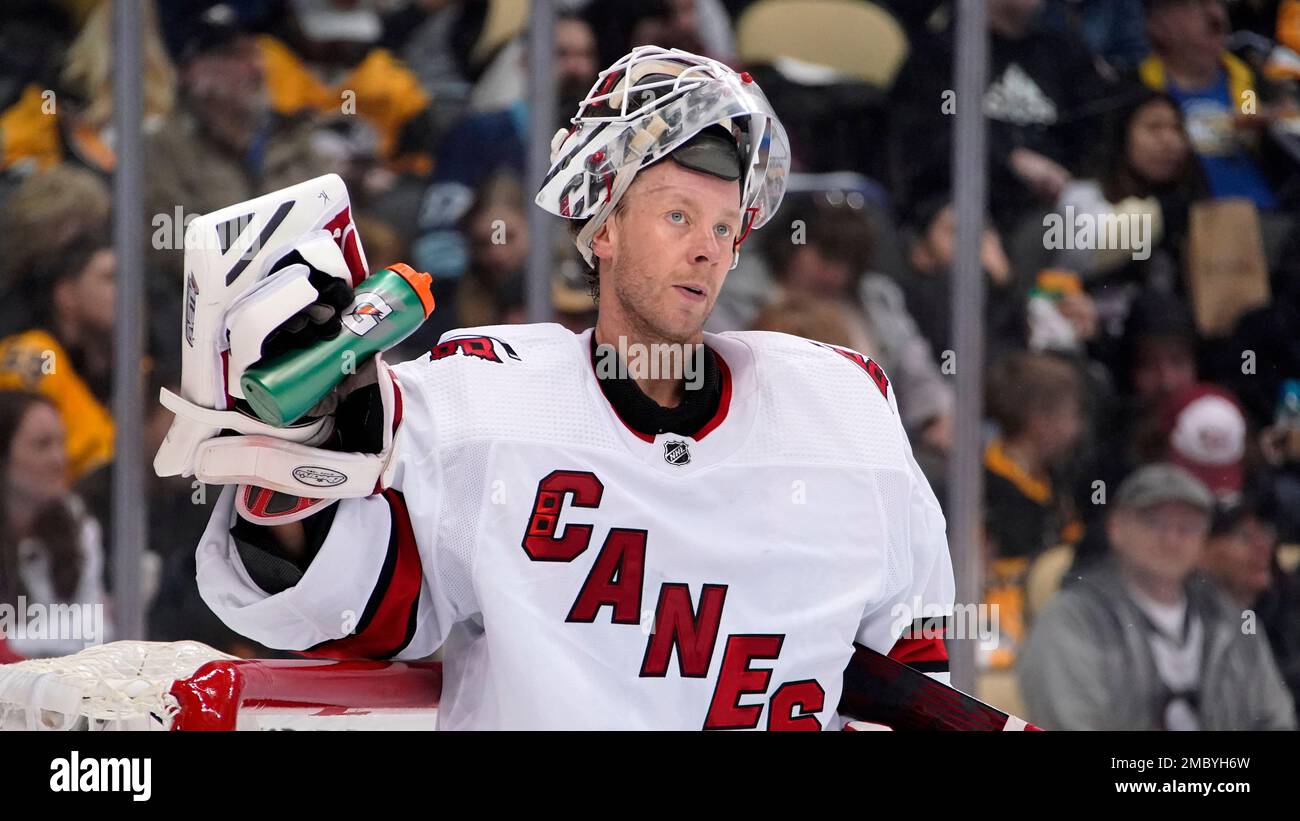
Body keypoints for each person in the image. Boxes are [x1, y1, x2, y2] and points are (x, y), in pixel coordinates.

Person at [159, 46, 955, 730]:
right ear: (602, 226)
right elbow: (349, 610)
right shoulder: (489, 402)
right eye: (678, 215)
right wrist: (291, 478)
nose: (710, 250)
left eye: (724, 227)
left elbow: (912, 666)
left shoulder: (840, 412)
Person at [1017, 463, 1295, 730]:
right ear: (1116, 528)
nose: (1171, 540)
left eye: (1187, 527)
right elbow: (1069, 723)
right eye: (1154, 523)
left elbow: (1275, 720)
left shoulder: (1231, 621)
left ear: (1203, 539)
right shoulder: (1073, 618)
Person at [0, 390, 111, 659]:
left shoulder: (77, 520)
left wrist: (13, 644)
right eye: (42, 445)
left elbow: (97, 627)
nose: (59, 459)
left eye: (61, 442)